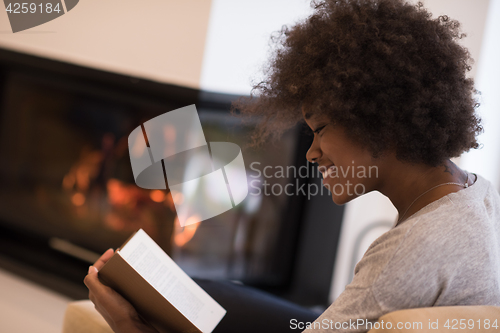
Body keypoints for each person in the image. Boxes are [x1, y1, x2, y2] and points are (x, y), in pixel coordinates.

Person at [85, 0, 500, 332]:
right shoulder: (475, 192)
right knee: (208, 295)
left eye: (319, 130)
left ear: (380, 120)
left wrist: (129, 329)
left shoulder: (409, 253)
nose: (311, 153)